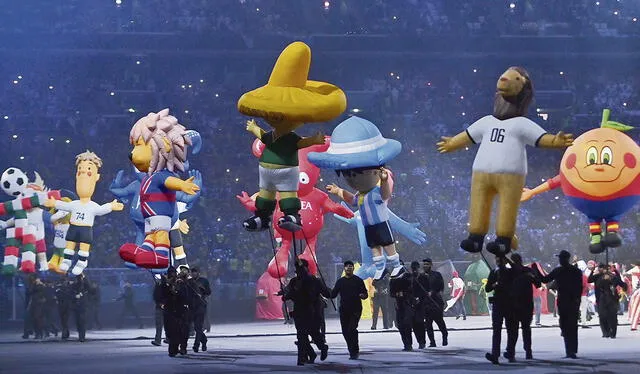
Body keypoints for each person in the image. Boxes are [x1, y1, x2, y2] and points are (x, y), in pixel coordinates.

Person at [282, 259, 330, 366]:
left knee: (314, 334)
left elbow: (325, 292)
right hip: (299, 312)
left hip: (312, 311)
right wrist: (285, 296)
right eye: (298, 268)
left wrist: (330, 292)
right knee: (301, 336)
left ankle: (322, 347)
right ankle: (303, 357)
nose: (299, 270)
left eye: (301, 268)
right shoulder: (294, 281)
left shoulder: (314, 280)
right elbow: (289, 293)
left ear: (306, 268)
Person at [541, 250, 583, 359]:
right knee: (573, 326)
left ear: (563, 259)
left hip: (563, 300)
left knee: (564, 325)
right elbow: (579, 287)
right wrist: (577, 300)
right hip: (573, 301)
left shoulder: (558, 271)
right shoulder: (576, 271)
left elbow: (545, 279)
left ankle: (569, 350)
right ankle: (572, 350)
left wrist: (535, 272)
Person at [329, 260, 368, 359]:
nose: (349, 268)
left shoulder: (358, 280)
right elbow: (333, 295)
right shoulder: (340, 281)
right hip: (344, 310)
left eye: (351, 266)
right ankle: (352, 350)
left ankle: (354, 351)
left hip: (356, 309)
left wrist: (362, 295)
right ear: (344, 268)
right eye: (347, 266)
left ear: (353, 268)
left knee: (352, 329)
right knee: (345, 331)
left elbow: (365, 294)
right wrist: (325, 290)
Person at [506, 253, 541, 360]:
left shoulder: (509, 272)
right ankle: (528, 352)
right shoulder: (528, 271)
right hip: (527, 304)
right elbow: (538, 284)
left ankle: (511, 353)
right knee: (526, 329)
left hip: (512, 304)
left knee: (513, 330)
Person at [484, 255, 516, 365]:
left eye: (500, 260)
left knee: (510, 329)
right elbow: (487, 288)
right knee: (496, 330)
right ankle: (495, 355)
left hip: (509, 303)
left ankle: (511, 353)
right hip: (498, 303)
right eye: (497, 260)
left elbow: (516, 269)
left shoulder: (509, 271)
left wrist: (507, 259)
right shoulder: (493, 272)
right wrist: (494, 284)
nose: (498, 262)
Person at [588, 263, 626, 338]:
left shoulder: (613, 276)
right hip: (601, 298)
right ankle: (605, 332)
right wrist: (593, 272)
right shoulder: (598, 276)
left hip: (612, 298)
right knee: (602, 316)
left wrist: (612, 277)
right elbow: (590, 280)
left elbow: (621, 283)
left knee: (612, 316)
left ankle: (613, 332)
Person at [159, 266, 190, 357]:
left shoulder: (180, 283)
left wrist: (177, 291)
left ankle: (181, 347)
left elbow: (185, 296)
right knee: (172, 332)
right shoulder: (164, 284)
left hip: (180, 310)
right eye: (171, 273)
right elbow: (161, 295)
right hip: (170, 310)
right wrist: (167, 286)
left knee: (182, 331)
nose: (173, 275)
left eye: (174, 273)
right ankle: (172, 350)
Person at [423, 258, 448, 347]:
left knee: (439, 321)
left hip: (436, 302)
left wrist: (432, 292)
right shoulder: (421, 276)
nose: (425, 266)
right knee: (428, 324)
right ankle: (432, 342)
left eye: (427, 264)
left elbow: (441, 287)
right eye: (424, 264)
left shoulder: (436, 275)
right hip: (426, 303)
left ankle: (445, 336)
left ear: (431, 265)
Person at [390, 264, 414, 351]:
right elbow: (391, 292)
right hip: (398, 304)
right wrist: (397, 294)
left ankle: (409, 344)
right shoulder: (393, 279)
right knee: (400, 325)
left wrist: (405, 293)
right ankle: (406, 344)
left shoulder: (408, 277)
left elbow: (412, 289)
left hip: (407, 303)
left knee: (407, 324)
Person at [188, 266, 211, 352]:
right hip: (192, 306)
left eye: (195, 272)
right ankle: (204, 340)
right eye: (192, 272)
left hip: (201, 305)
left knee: (198, 326)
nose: (193, 273)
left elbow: (209, 292)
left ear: (198, 273)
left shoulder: (204, 281)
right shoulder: (189, 282)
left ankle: (196, 345)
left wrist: (203, 290)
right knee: (196, 328)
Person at [72, 273, 90, 342]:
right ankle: (80, 335)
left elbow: (90, 287)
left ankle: (82, 336)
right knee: (78, 322)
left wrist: (85, 277)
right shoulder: (75, 285)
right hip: (76, 306)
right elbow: (71, 292)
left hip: (83, 305)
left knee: (82, 321)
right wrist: (75, 296)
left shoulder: (85, 285)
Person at [55, 274, 73, 340]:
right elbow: (57, 294)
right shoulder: (59, 287)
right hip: (61, 305)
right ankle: (66, 332)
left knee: (65, 319)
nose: (64, 281)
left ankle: (64, 333)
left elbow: (71, 295)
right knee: (63, 320)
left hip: (68, 305)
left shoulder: (70, 286)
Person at [151, 275, 164, 346]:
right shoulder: (158, 286)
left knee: (169, 324)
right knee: (159, 324)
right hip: (159, 307)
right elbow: (155, 296)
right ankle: (158, 340)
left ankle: (168, 339)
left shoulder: (169, 285)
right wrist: (159, 303)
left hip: (168, 307)